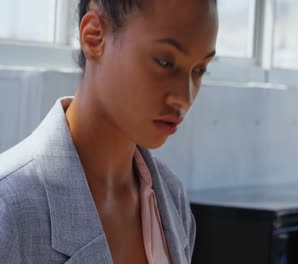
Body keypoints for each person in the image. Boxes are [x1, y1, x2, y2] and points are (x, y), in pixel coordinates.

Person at [0, 0, 218, 263]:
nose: (184, 98)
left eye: (199, 69)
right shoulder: (10, 208)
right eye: (164, 62)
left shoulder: (171, 199)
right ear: (95, 37)